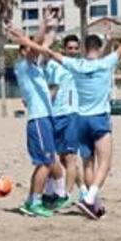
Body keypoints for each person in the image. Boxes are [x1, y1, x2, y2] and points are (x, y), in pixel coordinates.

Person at [7, 8, 121, 219]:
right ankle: (82, 196)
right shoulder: (104, 64)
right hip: (92, 118)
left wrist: (39, 32)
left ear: (83, 49)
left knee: (81, 162)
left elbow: (46, 50)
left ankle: (76, 195)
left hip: (78, 119)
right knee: (99, 162)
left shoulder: (74, 65)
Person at [13, 42, 58, 218]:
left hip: (45, 119)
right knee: (46, 163)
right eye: (31, 48)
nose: (36, 51)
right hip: (38, 120)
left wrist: (50, 24)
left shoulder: (36, 69)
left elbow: (44, 45)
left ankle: (31, 201)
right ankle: (36, 203)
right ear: (24, 51)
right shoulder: (23, 66)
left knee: (44, 163)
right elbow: (35, 46)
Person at [44, 32, 83, 207]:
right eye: (70, 48)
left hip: (72, 115)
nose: (73, 51)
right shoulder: (53, 65)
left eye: (76, 48)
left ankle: (65, 195)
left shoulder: (80, 66)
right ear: (64, 49)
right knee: (59, 158)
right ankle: (84, 191)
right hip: (55, 115)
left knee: (71, 158)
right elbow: (51, 88)